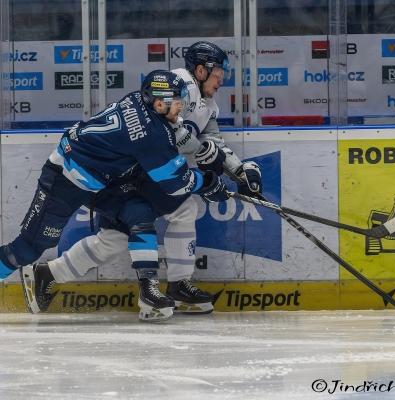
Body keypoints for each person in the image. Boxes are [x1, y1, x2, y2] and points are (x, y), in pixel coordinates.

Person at [20, 41, 262, 317]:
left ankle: (50, 274)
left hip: (142, 174)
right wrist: (205, 167)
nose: (221, 81)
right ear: (200, 70)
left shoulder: (208, 105)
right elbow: (170, 134)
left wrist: (240, 171)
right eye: (218, 75)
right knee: (154, 217)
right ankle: (159, 291)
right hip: (125, 174)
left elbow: (212, 142)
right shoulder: (179, 85)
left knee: (120, 235)